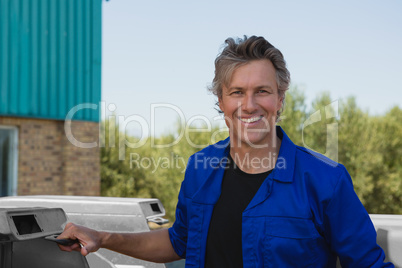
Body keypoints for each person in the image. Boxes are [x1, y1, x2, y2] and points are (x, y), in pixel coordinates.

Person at [58, 36, 393, 267]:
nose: (249, 105)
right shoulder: (200, 170)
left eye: (262, 91)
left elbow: (367, 264)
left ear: (280, 98)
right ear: (220, 100)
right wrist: (102, 236)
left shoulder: (325, 180)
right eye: (237, 92)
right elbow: (179, 242)